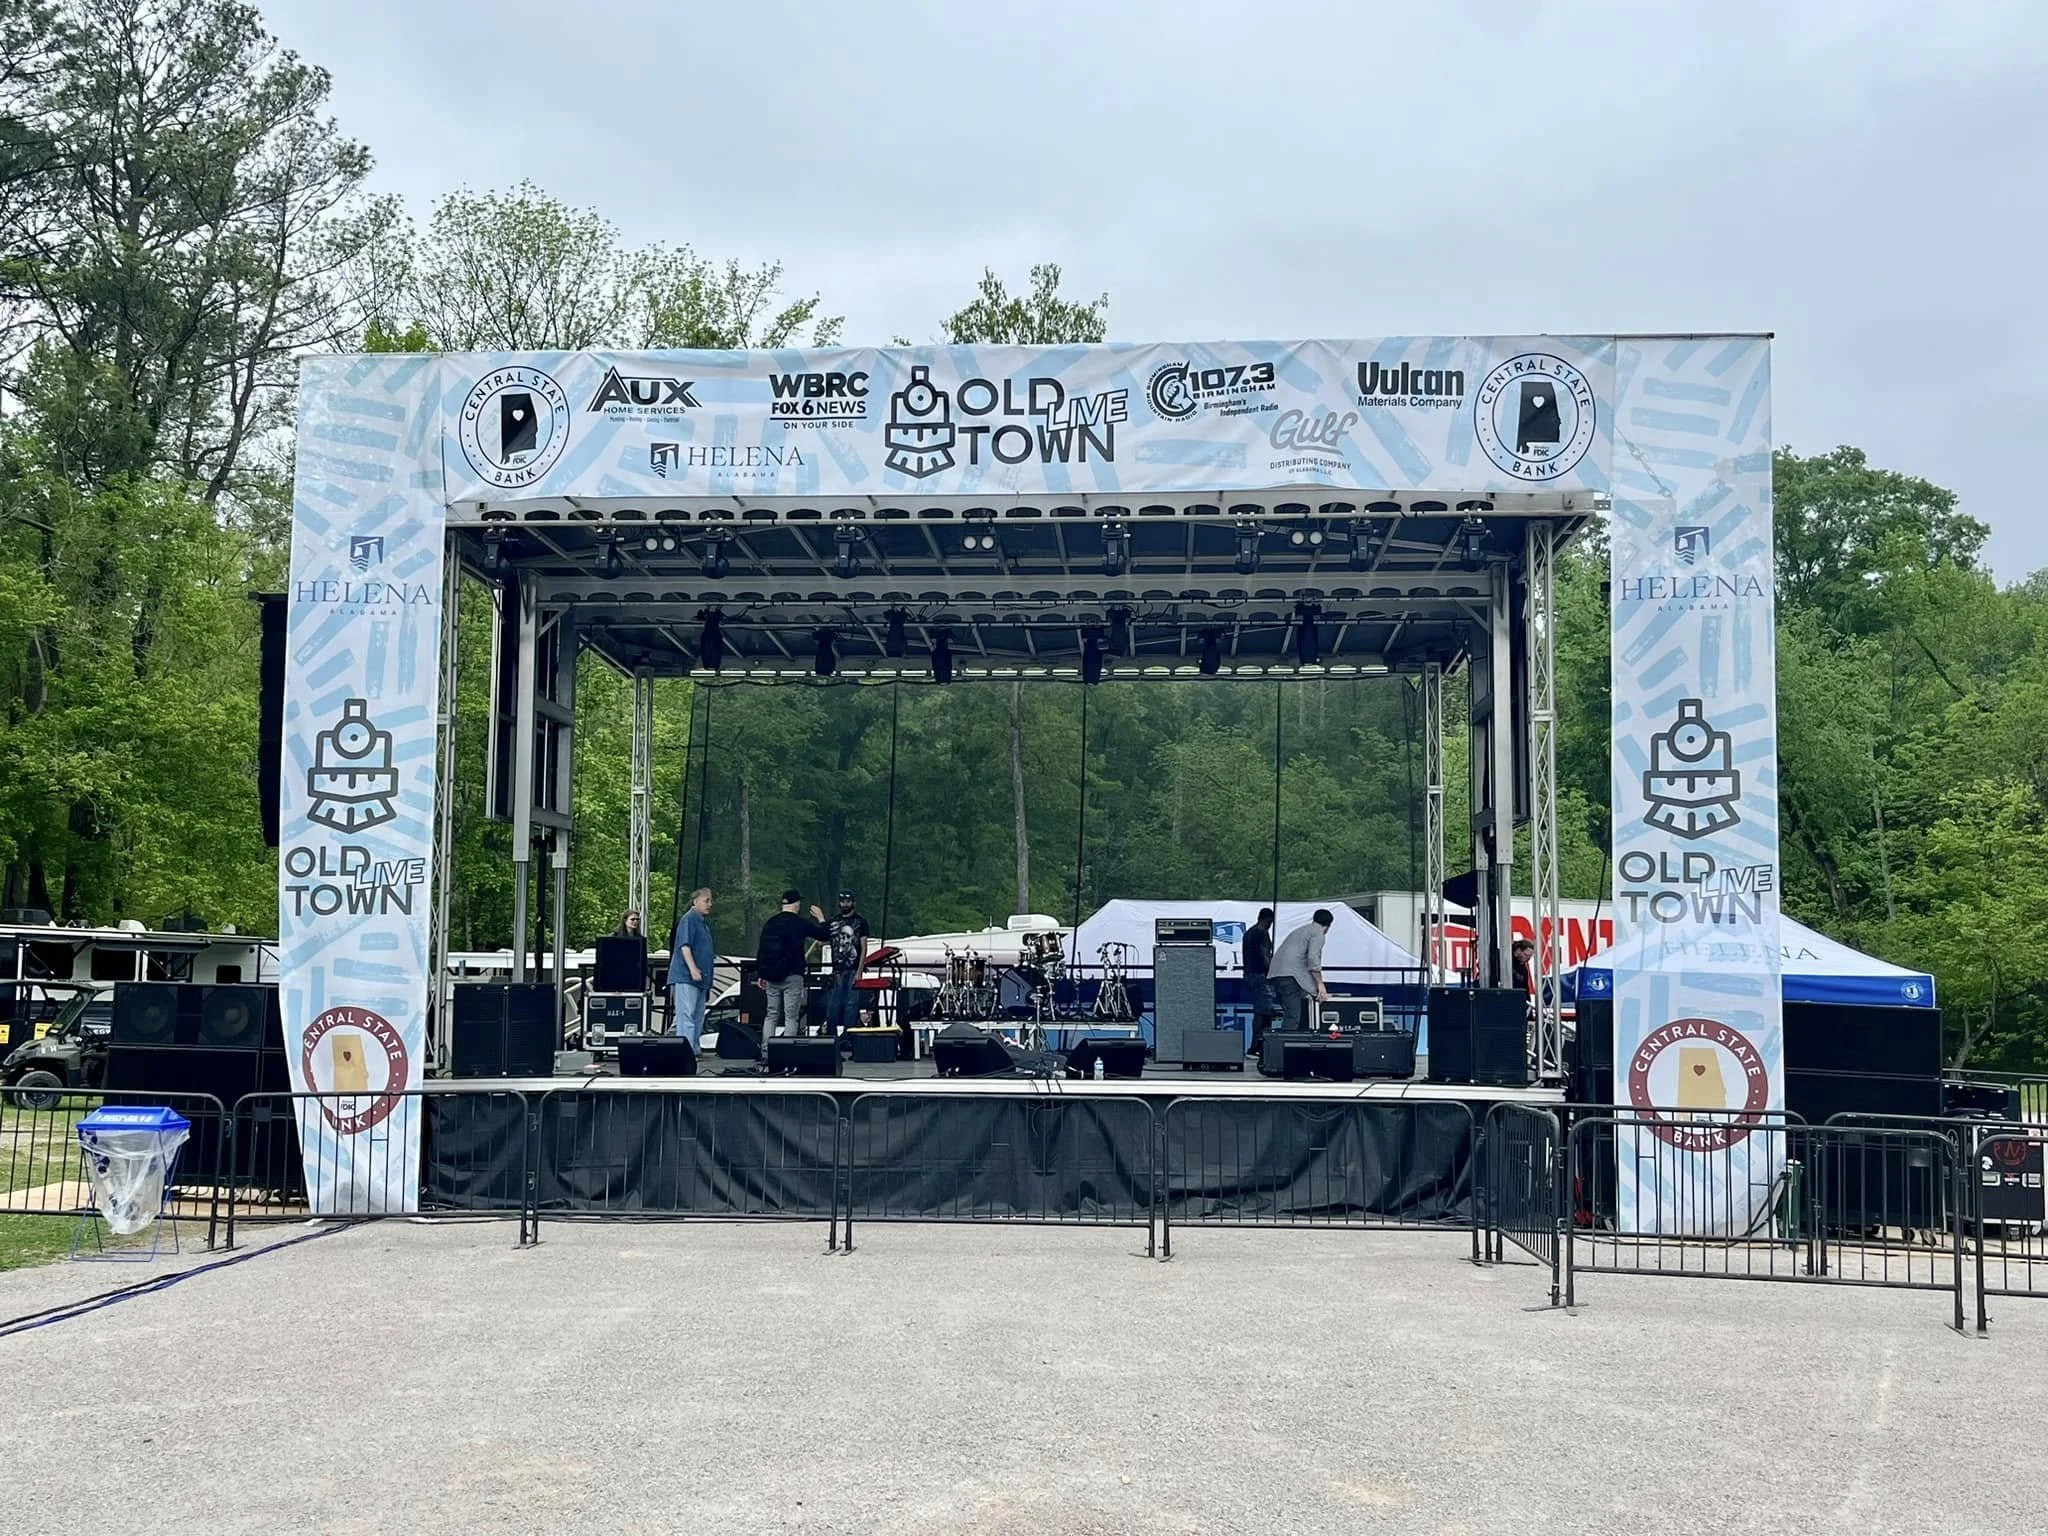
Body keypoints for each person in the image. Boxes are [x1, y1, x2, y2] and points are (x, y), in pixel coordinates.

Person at [756, 889, 829, 1041]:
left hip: (771, 975)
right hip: (793, 975)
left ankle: (766, 1050)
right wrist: (821, 918)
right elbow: (824, 936)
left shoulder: (771, 923)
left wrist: (761, 973)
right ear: (796, 904)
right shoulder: (799, 923)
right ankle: (786, 1051)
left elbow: (762, 950)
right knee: (791, 1017)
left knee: (771, 1015)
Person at [1269, 908, 1334, 1032]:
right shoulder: (1318, 932)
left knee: (1291, 1013)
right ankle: (1286, 1048)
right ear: (1328, 925)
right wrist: (1320, 984)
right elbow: (1313, 959)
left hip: (1276, 975)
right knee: (1293, 1017)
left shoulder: (1301, 930)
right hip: (1290, 976)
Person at [667, 889, 715, 1049]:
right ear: (695, 901)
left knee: (698, 1015)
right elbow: (684, 946)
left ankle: (693, 1047)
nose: (710, 904)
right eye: (706, 900)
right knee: (686, 1014)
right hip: (686, 976)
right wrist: (693, 969)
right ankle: (685, 1050)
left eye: (710, 901)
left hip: (701, 977)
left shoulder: (703, 924)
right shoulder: (688, 920)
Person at [824, 891, 872, 1035]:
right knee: (833, 1004)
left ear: (853, 903)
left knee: (852, 1004)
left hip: (853, 969)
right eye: (842, 901)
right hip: (837, 969)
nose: (845, 904)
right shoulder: (834, 921)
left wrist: (859, 970)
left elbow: (864, 947)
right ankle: (831, 1035)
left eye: (848, 901)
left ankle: (848, 1035)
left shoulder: (861, 922)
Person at [1243, 907, 1277, 1055]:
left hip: (1250, 975)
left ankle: (1258, 1045)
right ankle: (1256, 1047)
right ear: (1269, 920)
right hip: (1260, 975)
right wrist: (1272, 972)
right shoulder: (1261, 933)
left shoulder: (1249, 932)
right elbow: (1264, 955)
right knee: (1263, 1011)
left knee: (1261, 1010)